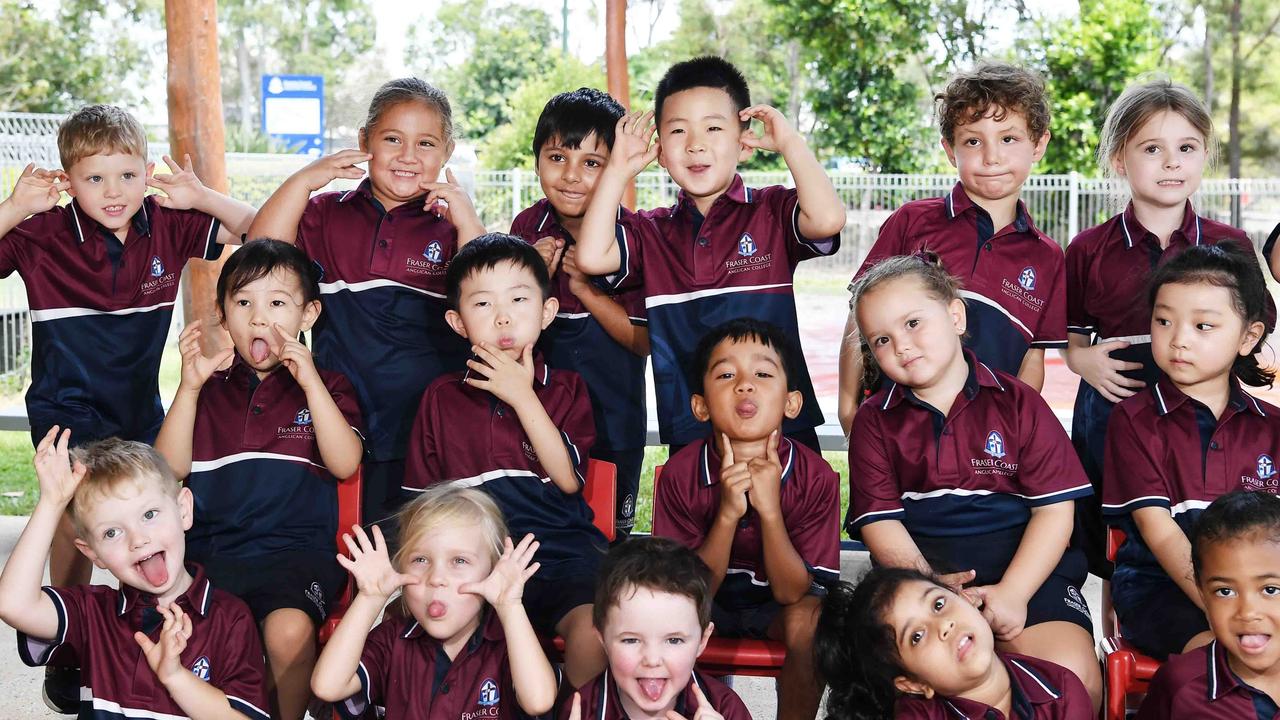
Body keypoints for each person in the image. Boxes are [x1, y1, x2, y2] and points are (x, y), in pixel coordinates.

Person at [0, 103, 257, 710]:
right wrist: (13, 208)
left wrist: (201, 194)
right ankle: (66, 641)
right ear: (67, 180)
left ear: (146, 173)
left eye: (126, 176)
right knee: (78, 516)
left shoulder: (168, 224)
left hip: (141, 405)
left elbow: (256, 229)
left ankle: (162, 640)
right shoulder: (41, 235)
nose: (113, 192)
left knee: (151, 514)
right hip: (67, 405)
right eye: (94, 178)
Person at [845, 253, 1100, 709]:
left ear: (955, 315)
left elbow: (1055, 511)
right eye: (881, 339)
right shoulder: (873, 423)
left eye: (913, 323)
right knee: (912, 699)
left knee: (1073, 676)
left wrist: (1013, 595)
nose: (901, 346)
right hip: (928, 591)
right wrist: (934, 589)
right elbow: (881, 524)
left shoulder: (1020, 403)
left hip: (1028, 576)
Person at [573, 55, 845, 454]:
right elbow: (592, 258)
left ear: (744, 140)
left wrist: (790, 143)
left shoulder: (769, 210)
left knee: (791, 516)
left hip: (782, 427)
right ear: (661, 152)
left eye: (714, 128)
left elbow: (827, 220)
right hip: (693, 425)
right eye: (678, 131)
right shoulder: (651, 230)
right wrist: (617, 170)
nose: (696, 144)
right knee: (700, 518)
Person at [247, 77, 486, 528]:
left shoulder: (451, 226)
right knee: (353, 549)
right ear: (364, 141)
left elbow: (484, 295)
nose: (408, 156)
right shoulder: (325, 214)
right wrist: (305, 181)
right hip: (340, 418)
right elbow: (262, 252)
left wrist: (466, 218)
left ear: (447, 151)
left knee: (423, 550)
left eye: (426, 143)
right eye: (392, 139)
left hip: (430, 429)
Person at [1064, 79, 1274, 583]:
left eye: (1186, 148)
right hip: (1115, 411)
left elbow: (1255, 326)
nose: (1171, 162)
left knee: (1211, 528)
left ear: (1204, 156)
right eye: (1152, 149)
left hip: (1204, 416)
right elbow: (1070, 340)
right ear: (1120, 159)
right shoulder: (1088, 248)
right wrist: (1082, 360)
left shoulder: (1231, 243)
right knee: (1121, 543)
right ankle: (1117, 637)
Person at [154, 239, 364, 720]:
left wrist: (309, 382)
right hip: (212, 553)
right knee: (182, 629)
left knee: (288, 631)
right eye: (243, 303)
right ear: (224, 317)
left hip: (296, 554)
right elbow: (167, 472)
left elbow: (345, 462)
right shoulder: (206, 388)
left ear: (308, 315)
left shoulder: (329, 387)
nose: (259, 318)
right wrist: (188, 387)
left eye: (277, 303)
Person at [402, 233, 606, 687]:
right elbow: (422, 509)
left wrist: (523, 396)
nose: (503, 317)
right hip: (474, 561)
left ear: (547, 311)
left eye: (518, 299)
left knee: (593, 634)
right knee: (445, 642)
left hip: (560, 553)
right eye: (483, 305)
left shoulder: (567, 389)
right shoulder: (440, 398)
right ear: (457, 322)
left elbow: (570, 480)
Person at [837, 62, 1062, 435]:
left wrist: (1010, 429)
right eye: (973, 141)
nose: (992, 157)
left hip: (983, 446)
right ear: (949, 149)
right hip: (896, 434)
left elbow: (1031, 362)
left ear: (1038, 144)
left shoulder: (1048, 257)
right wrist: (848, 410)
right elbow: (858, 320)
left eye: (1008, 139)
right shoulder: (912, 222)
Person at [0, 430, 269, 719]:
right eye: (112, 532)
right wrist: (51, 504)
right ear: (93, 554)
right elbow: (13, 604)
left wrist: (176, 677)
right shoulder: (93, 613)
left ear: (183, 510)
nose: (138, 539)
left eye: (150, 515)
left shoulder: (231, 619)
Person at [653, 318, 839, 720]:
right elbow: (684, 594)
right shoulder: (680, 474)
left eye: (762, 373)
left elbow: (794, 594)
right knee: (663, 617)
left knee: (815, 620)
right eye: (725, 374)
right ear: (700, 406)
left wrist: (770, 513)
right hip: (705, 605)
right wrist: (726, 515)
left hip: (778, 609)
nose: (745, 384)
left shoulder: (817, 477)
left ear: (792, 402)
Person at [1102, 242, 1278, 661]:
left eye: (1203, 326)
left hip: (1261, 592)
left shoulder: (1272, 426)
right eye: (1164, 321)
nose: (1178, 339)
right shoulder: (1133, 420)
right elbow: (1159, 532)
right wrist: (1223, 607)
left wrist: (1254, 602)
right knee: (1227, 656)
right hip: (1161, 587)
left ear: (1248, 337)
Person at [509, 87, 649, 539]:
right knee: (539, 533)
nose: (572, 176)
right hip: (539, 415)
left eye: (592, 163)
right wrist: (525, 273)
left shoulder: (634, 236)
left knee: (605, 538)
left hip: (613, 418)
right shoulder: (526, 229)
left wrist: (586, 292)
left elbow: (643, 341)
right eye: (557, 158)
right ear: (535, 161)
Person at [311, 485, 557, 719]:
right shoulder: (392, 639)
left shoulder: (512, 640)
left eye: (459, 561)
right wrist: (369, 597)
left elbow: (538, 701)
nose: (436, 578)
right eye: (420, 560)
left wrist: (510, 606)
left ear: (493, 570)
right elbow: (328, 686)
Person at [815, 567, 1092, 720]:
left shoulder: (1062, 689)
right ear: (912, 684)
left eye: (938, 604)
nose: (943, 626)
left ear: (965, 599)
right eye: (917, 636)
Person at [559, 536, 751, 720]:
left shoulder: (725, 708)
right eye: (631, 640)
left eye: (674, 640)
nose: (652, 660)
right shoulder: (582, 710)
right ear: (602, 638)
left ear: (702, 640)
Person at [1137, 491, 1280, 718]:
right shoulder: (1181, 686)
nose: (1248, 612)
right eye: (1225, 591)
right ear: (1202, 592)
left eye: (1270, 590)